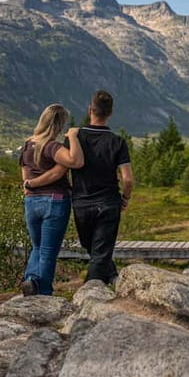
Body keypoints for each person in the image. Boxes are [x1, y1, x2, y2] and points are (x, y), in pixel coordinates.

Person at [66, 90, 133, 284]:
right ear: (110, 113)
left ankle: (98, 285)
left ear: (90, 110)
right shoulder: (117, 142)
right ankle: (99, 286)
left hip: (81, 204)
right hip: (108, 203)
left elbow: (64, 170)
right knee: (99, 251)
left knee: (95, 249)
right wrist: (125, 198)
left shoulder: (75, 138)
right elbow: (127, 179)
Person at [19, 104, 83, 296]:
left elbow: (25, 178)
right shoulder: (51, 146)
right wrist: (72, 137)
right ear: (58, 124)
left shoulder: (27, 146)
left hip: (31, 202)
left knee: (36, 247)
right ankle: (43, 291)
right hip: (54, 201)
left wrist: (31, 185)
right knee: (48, 252)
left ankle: (31, 281)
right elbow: (76, 161)